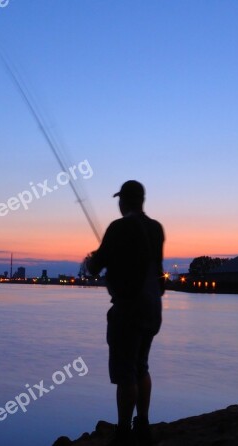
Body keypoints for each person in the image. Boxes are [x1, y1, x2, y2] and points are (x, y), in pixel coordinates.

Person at [85, 180, 165, 446]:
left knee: (125, 372)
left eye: (120, 200)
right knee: (141, 366)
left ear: (124, 201)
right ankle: (141, 424)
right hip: (153, 308)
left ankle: (123, 433)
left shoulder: (118, 227)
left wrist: (89, 259)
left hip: (128, 309)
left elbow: (96, 266)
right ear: (142, 200)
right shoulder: (156, 229)